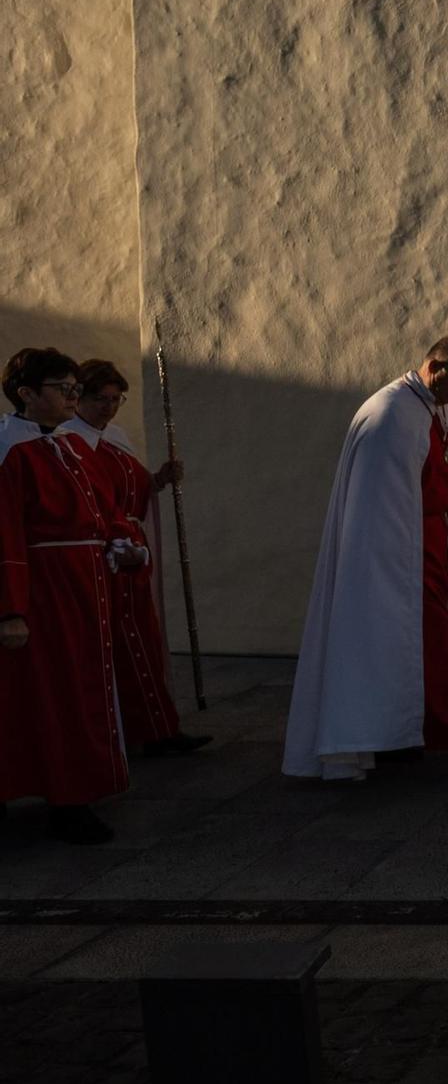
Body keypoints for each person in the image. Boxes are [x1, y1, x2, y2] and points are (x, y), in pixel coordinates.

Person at [283, 337, 448, 780]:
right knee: (431, 645)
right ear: (435, 367)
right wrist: (400, 564)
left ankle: (403, 737)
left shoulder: (431, 409)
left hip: (426, 546)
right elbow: (379, 505)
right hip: (394, 555)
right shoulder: (390, 415)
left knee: (426, 646)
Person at [0, 348, 133, 843]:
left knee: (80, 687)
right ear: (27, 394)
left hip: (83, 584)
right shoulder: (9, 448)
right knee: (47, 697)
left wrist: (122, 540)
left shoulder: (69, 445)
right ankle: (65, 800)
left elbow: (105, 506)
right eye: (64, 389)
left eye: (76, 389)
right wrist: (11, 608)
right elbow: (5, 533)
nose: (73, 398)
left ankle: (78, 789)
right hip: (41, 588)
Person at [60, 360, 210, 757]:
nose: (108, 408)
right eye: (99, 399)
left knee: (142, 638)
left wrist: (159, 479)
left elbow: (133, 494)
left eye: (115, 400)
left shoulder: (115, 437)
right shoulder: (68, 440)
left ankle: (158, 727)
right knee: (115, 646)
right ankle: (126, 733)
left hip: (131, 552)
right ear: (78, 399)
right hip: (103, 557)